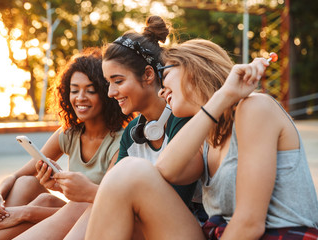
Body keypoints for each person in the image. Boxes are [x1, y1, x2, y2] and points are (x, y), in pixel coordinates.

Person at [85, 39, 318, 240]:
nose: (160, 91)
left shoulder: (255, 108)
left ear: (193, 69)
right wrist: (218, 101)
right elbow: (165, 170)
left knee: (127, 174)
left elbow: (250, 224)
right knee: (127, 172)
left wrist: (225, 94)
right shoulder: (206, 136)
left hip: (277, 235)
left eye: (165, 75)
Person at [62, 16, 204, 240]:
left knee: (96, 202)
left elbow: (175, 203)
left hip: (182, 229)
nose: (110, 93)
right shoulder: (132, 133)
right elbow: (113, 192)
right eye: (108, 83)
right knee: (85, 206)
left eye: (117, 81)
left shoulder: (182, 120)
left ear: (148, 75)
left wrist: (90, 191)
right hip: (147, 229)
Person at [0, 48, 132, 240]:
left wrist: (27, 212)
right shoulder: (69, 134)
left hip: (100, 222)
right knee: (25, 183)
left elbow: (102, 203)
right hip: (70, 216)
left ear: (106, 94)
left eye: (90, 90)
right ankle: (1, 228)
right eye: (74, 90)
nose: (80, 98)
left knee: (66, 205)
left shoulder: (120, 143)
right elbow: (18, 174)